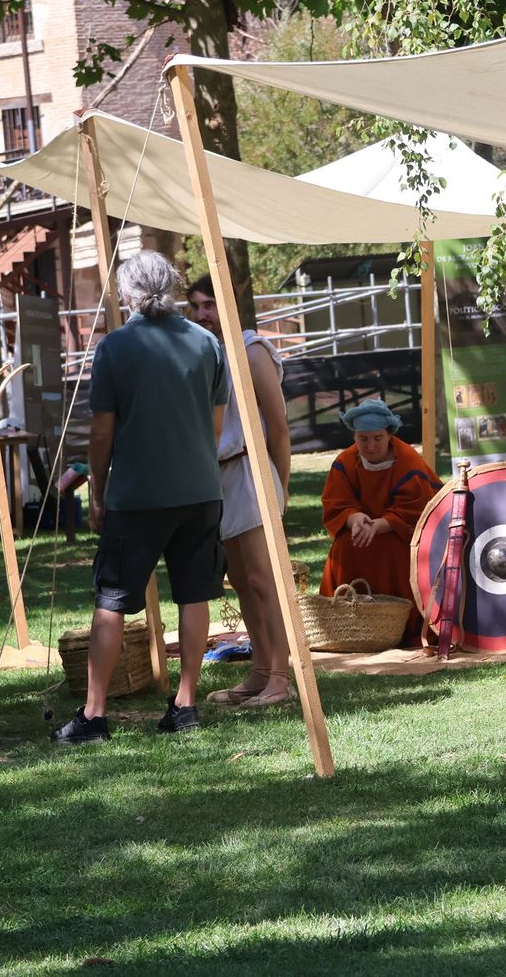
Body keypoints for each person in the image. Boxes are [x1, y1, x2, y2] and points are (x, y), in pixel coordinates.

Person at [52, 251, 228, 745]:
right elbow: (214, 428)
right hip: (199, 490)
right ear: (172, 287)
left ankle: (94, 714)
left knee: (111, 600)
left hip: (137, 496)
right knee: (195, 596)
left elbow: (101, 434)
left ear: (125, 294)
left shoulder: (114, 348)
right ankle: (186, 704)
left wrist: (99, 493)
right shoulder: (207, 343)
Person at [186, 274, 295, 708]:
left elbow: (281, 430)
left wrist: (279, 490)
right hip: (222, 475)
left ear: (229, 304)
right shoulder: (205, 352)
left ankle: (282, 678)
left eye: (209, 304)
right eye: (195, 306)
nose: (201, 314)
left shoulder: (250, 350)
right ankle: (261, 669)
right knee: (240, 580)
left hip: (252, 470)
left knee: (264, 580)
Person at [318, 399, 442, 646]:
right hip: (361, 529)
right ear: (354, 436)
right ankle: (340, 622)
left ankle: (403, 624)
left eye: (377, 438)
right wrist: (354, 518)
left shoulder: (408, 462)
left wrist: (382, 524)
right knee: (345, 545)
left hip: (400, 534)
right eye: (363, 439)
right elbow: (336, 502)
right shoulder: (344, 462)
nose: (371, 446)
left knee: (391, 549)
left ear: (389, 435)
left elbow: (419, 510)